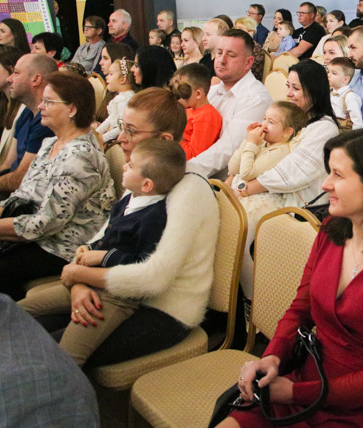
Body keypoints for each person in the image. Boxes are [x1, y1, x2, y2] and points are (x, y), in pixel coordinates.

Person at [223, 129, 363, 428]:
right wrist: (272, 357)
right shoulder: (331, 232)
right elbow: (300, 309)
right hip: (305, 379)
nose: (326, 185)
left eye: (337, 175)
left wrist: (295, 392)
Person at [47, 87, 220, 366]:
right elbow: (102, 238)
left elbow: (154, 278)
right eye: (121, 128)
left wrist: (82, 275)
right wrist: (79, 281)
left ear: (163, 139)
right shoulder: (142, 174)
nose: (122, 139)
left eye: (131, 131)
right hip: (121, 291)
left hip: (163, 312)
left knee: (48, 353)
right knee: (30, 321)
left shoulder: (190, 189)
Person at [18, 139, 186, 366]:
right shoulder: (128, 200)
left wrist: (101, 256)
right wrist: (90, 249)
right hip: (89, 281)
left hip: (114, 298)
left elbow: (142, 265)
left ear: (147, 185)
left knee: (66, 357)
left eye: (131, 166)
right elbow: (109, 238)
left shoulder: (155, 218)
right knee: (21, 309)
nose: (125, 165)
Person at [0, 73, 115, 300]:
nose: (41, 106)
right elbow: (23, 195)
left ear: (72, 109)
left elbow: (45, 224)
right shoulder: (51, 142)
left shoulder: (81, 158)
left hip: (61, 247)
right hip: (38, 234)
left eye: (49, 101)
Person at [232, 61, 339, 298]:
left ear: (314, 91)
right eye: (288, 86)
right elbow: (263, 155)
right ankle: (232, 298)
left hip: (301, 202)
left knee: (243, 223)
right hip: (273, 191)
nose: (289, 93)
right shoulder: (292, 117)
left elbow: (294, 171)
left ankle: (254, 301)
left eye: (296, 89)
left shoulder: (324, 127)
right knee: (228, 216)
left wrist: (249, 187)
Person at [0, 294, 100, 427]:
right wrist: (77, 281)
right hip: (91, 283)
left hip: (118, 293)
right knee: (29, 314)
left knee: (63, 356)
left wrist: (79, 275)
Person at [189, 29, 272, 178]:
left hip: (224, 185)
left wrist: (183, 169)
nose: (221, 60)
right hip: (197, 172)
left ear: (248, 62)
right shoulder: (212, 91)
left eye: (231, 55)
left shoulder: (256, 98)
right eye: (219, 53)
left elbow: (227, 150)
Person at [0, 54, 58, 194]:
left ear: (36, 79)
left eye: (16, 73)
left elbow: (22, 178)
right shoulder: (27, 112)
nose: (10, 79)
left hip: (25, 196)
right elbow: (8, 164)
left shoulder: (46, 121)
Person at [171, 63, 223, 159]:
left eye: (182, 91)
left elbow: (194, 154)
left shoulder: (207, 116)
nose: (177, 97)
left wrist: (172, 139)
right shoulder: (190, 110)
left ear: (198, 93)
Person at [95, 57, 136, 143]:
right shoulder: (120, 97)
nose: (106, 77)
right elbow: (111, 119)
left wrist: (103, 138)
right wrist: (96, 133)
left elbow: (122, 128)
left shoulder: (126, 100)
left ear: (122, 79)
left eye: (111, 74)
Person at [327, 56, 363, 131]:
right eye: (328, 72)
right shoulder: (330, 93)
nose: (329, 75)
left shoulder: (350, 97)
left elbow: (357, 123)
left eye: (334, 73)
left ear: (346, 79)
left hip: (344, 132)